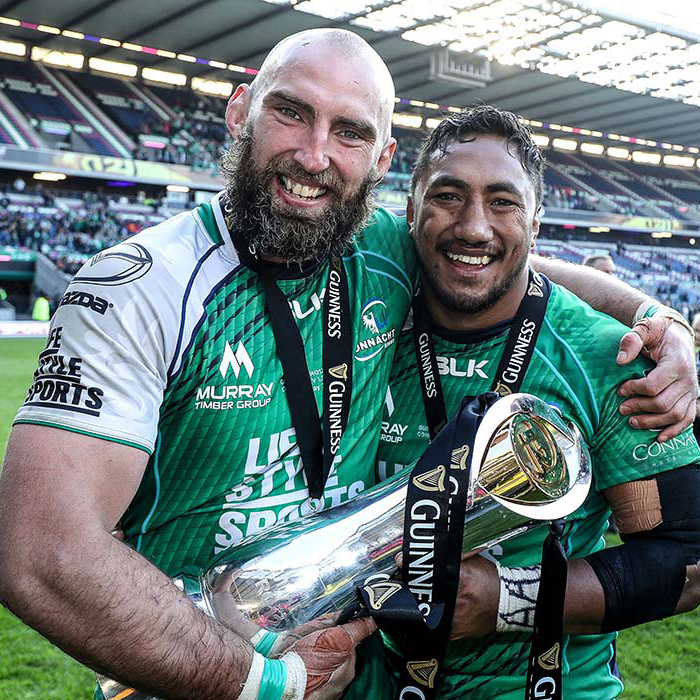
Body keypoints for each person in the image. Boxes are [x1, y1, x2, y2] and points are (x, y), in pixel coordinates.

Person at [0, 29, 695, 700]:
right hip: (186, 661)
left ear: (382, 158)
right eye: (291, 112)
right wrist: (272, 686)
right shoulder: (139, 288)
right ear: (240, 109)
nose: (313, 154)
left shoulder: (381, 255)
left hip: (355, 673)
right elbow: (39, 552)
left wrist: (653, 319)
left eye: (350, 131)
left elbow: (493, 255)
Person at [376, 106, 700, 699]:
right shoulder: (369, 315)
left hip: (541, 687)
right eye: (448, 196)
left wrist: (508, 601)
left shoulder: (611, 357)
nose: (473, 227)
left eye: (503, 202)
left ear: (536, 219)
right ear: (410, 210)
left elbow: (688, 559)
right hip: (363, 678)